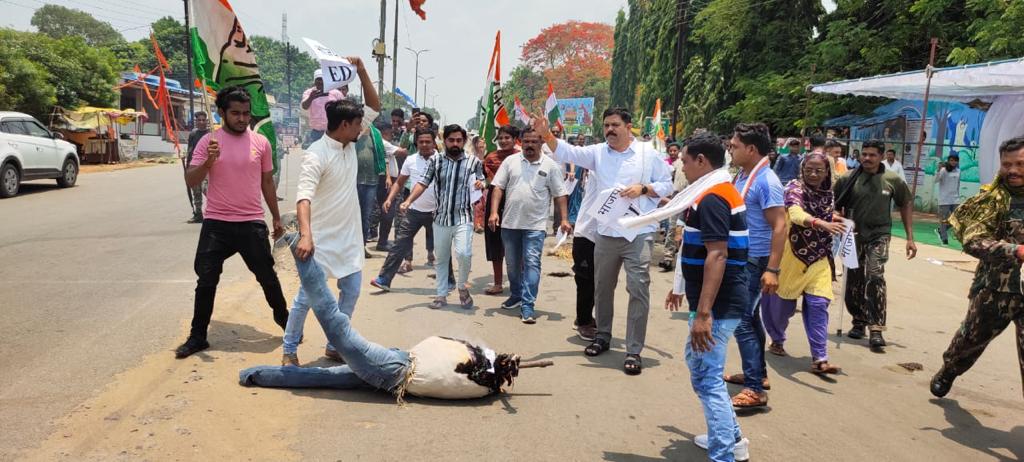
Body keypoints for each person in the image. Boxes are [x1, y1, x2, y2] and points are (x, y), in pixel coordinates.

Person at [243, 234, 522, 401]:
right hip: (394, 368)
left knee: (327, 360)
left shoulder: (481, 374)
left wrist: (500, 365)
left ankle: (253, 376)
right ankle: (299, 248)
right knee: (333, 335)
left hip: (396, 368)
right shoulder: (482, 373)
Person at [535, 108, 673, 375]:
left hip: (639, 232)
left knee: (638, 289)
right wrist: (546, 135)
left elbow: (666, 185)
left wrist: (643, 189)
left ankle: (634, 350)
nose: (609, 130)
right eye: (606, 125)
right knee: (602, 287)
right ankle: (603, 336)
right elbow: (566, 152)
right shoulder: (598, 153)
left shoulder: (648, 154)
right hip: (607, 232)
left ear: (629, 126)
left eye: (615, 125)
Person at [282, 56, 381, 365]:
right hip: (321, 239)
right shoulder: (316, 155)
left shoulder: (349, 143)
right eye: (357, 124)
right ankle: (289, 350)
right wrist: (306, 237)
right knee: (306, 299)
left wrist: (363, 70)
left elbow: (374, 108)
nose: (361, 128)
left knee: (350, 291)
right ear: (344, 125)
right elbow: (303, 198)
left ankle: (334, 344)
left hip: (349, 237)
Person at [177, 86, 289, 359]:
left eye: (246, 114)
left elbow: (266, 182)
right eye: (235, 113)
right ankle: (198, 336)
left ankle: (289, 326)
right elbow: (191, 180)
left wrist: (275, 216)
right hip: (217, 223)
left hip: (251, 222)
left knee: (267, 278)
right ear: (222, 113)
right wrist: (208, 163)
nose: (242, 119)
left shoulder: (260, 143)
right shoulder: (208, 142)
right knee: (206, 280)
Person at [665, 132, 750, 462]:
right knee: (700, 366)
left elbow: (717, 254)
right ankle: (732, 439)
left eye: (684, 160)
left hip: (717, 305)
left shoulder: (713, 197)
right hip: (715, 301)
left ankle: (723, 455)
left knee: (707, 378)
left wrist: (703, 314)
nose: (681, 166)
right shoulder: (714, 191)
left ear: (702, 161)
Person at [931, 136, 1024, 399]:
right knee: (970, 340)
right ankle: (950, 369)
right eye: (1007, 164)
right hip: (997, 289)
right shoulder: (991, 198)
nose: (1013, 170)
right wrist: (1014, 250)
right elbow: (973, 240)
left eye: (1020, 163)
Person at [721, 123, 786, 409]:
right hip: (742, 256)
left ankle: (755, 389)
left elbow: (781, 225)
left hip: (754, 259)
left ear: (751, 149)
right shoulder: (744, 175)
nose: (730, 149)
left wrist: (772, 269)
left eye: (735, 145)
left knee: (741, 320)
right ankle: (757, 373)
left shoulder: (766, 181)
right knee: (751, 317)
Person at [760, 152, 844, 374]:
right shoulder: (794, 189)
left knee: (818, 304)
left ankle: (820, 357)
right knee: (781, 307)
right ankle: (777, 338)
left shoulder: (827, 194)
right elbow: (796, 214)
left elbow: (824, 212)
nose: (814, 174)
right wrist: (821, 224)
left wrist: (835, 219)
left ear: (827, 172)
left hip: (819, 258)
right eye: (809, 170)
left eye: (819, 170)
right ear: (802, 170)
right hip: (792, 256)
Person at [833, 139, 917, 350]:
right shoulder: (848, 178)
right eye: (864, 154)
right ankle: (858, 321)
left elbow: (906, 203)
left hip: (879, 234)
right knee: (853, 280)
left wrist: (910, 237)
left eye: (872, 155)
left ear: (881, 157)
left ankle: (876, 327)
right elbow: (832, 204)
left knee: (874, 274)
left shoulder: (892, 179)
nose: (867, 158)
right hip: (853, 236)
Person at [489, 127, 570, 323]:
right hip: (509, 224)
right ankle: (516, 294)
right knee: (513, 265)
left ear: (541, 143)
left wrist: (565, 219)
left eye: (534, 141)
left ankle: (528, 305)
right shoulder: (510, 162)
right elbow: (498, 187)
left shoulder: (551, 166)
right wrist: (493, 212)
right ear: (521, 142)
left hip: (535, 225)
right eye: (526, 142)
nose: (530, 145)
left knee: (532, 263)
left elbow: (560, 194)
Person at [401, 124, 485, 309]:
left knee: (464, 253)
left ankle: (462, 287)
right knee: (441, 258)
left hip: (463, 217)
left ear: (464, 142)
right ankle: (440, 295)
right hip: (440, 218)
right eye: (451, 140)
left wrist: (481, 184)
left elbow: (481, 180)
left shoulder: (473, 162)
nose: (455, 143)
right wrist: (408, 201)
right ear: (444, 141)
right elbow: (422, 183)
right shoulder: (435, 161)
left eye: (459, 140)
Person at [370, 127, 454, 292]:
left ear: (434, 142)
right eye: (421, 142)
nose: (424, 145)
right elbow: (400, 183)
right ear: (416, 143)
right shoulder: (410, 160)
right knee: (399, 244)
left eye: (427, 141)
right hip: (414, 211)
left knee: (442, 247)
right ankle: (384, 279)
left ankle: (449, 280)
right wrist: (389, 199)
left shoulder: (444, 160)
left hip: (436, 213)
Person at [481, 125, 521, 295]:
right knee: (495, 242)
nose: (504, 141)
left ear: (514, 139)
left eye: (507, 137)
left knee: (517, 244)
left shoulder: (521, 156)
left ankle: (518, 285)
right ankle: (498, 283)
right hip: (495, 201)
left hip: (516, 200)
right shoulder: (490, 158)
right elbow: (486, 181)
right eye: (501, 138)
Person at [300, 70, 346, 148]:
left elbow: (345, 109)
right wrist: (311, 97)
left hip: (332, 133)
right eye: (318, 79)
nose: (320, 82)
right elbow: (304, 106)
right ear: (314, 81)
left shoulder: (336, 93)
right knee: (316, 157)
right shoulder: (308, 92)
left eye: (322, 79)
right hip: (316, 133)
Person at [185, 111, 211, 224]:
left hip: (206, 168)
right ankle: (198, 214)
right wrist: (188, 167)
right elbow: (190, 150)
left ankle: (215, 213)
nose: (201, 122)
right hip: (194, 167)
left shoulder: (211, 134)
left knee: (208, 191)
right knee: (196, 193)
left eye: (203, 120)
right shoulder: (193, 134)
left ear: (206, 121)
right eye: (199, 120)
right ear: (196, 122)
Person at [935, 153, 961, 246]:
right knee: (943, 219)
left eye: (955, 160)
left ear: (957, 161)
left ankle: (941, 230)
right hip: (944, 200)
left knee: (958, 219)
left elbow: (958, 185)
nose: (953, 162)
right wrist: (938, 170)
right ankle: (944, 239)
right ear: (948, 161)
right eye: (951, 160)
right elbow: (936, 180)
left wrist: (958, 196)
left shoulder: (958, 171)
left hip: (955, 199)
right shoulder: (943, 170)